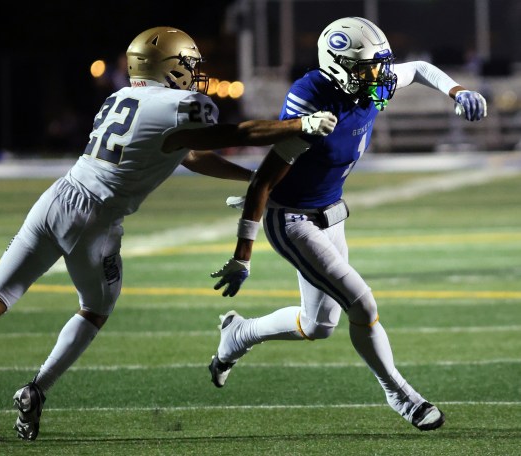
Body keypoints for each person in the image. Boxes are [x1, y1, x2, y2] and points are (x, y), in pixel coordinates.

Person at [0, 26, 337, 441]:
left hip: (57, 197)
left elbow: (187, 153)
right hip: (97, 218)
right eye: (186, 63)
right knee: (95, 309)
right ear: (167, 65)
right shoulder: (179, 104)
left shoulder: (119, 97)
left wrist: (248, 179)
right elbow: (233, 133)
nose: (192, 71)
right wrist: (297, 126)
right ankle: (36, 389)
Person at [208, 16, 487, 431]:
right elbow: (264, 181)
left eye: (379, 65)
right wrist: (242, 255)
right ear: (339, 66)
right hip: (293, 219)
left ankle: (238, 334)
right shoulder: (311, 103)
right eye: (368, 67)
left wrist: (457, 90)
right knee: (362, 303)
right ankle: (401, 395)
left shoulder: (371, 82)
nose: (380, 76)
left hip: (330, 211)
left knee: (318, 325)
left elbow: (419, 70)